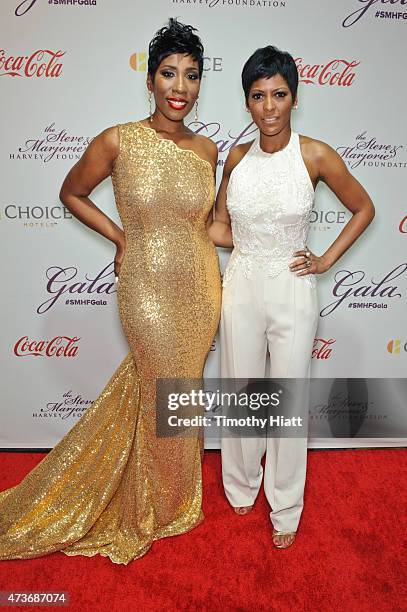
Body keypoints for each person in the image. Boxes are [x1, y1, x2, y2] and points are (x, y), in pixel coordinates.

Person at [0, 19, 221, 565]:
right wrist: (120, 235)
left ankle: (175, 500)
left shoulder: (209, 149)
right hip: (146, 285)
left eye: (191, 76)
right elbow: (71, 191)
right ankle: (145, 506)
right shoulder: (119, 139)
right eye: (169, 73)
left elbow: (208, 225)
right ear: (149, 80)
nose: (180, 87)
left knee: (179, 393)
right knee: (157, 383)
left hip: (201, 284)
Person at [207, 45, 374, 549]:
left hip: (294, 287)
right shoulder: (236, 157)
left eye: (279, 94)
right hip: (240, 283)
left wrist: (324, 261)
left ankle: (286, 506)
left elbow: (363, 207)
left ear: (294, 98)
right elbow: (218, 226)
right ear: (247, 102)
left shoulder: (315, 153)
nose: (269, 106)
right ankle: (240, 483)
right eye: (258, 96)